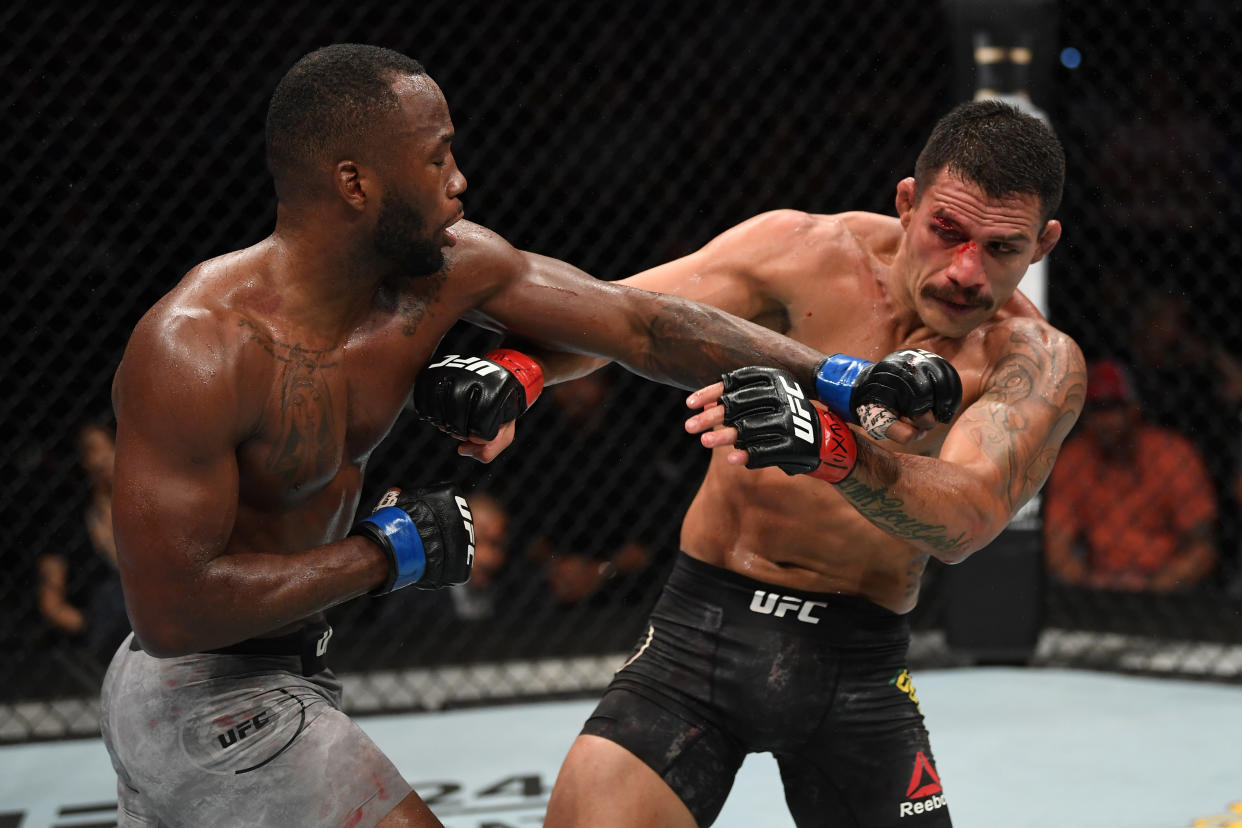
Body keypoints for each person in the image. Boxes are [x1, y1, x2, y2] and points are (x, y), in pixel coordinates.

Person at [98, 43, 940, 828]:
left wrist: (839, 377)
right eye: (435, 159)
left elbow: (643, 327)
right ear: (355, 183)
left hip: (290, 667)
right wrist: (385, 555)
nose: (459, 180)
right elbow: (173, 611)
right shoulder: (200, 347)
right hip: (200, 698)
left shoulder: (446, 269)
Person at [471, 99, 1078, 827]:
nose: (965, 272)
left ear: (1042, 244)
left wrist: (835, 451)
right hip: (698, 636)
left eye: (1002, 248)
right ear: (908, 202)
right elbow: (629, 316)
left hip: (857, 665)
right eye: (947, 232)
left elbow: (966, 520)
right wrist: (516, 374)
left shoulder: (1035, 362)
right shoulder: (806, 253)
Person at [1043, 359, 1217, 592]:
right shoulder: (1075, 458)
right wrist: (1088, 584)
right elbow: (1056, 544)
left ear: (1134, 409)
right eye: (1096, 409)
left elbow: (1203, 549)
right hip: (1097, 581)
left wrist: (1152, 587)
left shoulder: (1173, 454)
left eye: (1113, 407)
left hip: (1168, 586)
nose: (1104, 421)